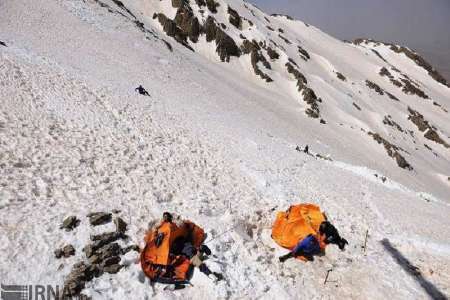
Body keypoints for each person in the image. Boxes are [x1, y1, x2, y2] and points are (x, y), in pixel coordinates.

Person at [279, 221, 348, 262]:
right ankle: (341, 242)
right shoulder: (310, 242)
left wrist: (323, 240)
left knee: (337, 242)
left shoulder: (328, 232)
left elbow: (324, 241)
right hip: (310, 245)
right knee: (307, 250)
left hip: (332, 235)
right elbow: (297, 250)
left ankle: (342, 242)